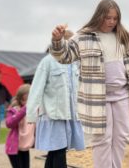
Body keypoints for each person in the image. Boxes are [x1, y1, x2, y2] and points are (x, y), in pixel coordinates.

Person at [50, 0, 129, 168]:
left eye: (115, 18)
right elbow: (64, 56)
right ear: (99, 16)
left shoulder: (124, 37)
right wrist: (57, 41)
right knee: (103, 138)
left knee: (122, 135)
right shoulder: (83, 38)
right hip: (97, 98)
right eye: (107, 18)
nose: (111, 22)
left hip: (121, 94)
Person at [26, 30, 85, 168]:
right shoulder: (47, 62)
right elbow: (36, 89)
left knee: (56, 151)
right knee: (58, 151)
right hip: (53, 115)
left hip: (69, 115)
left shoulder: (74, 64)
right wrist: (31, 115)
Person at [5, 84, 31, 168]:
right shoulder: (14, 109)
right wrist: (24, 109)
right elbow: (9, 123)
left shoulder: (31, 110)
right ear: (20, 98)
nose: (27, 102)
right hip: (14, 148)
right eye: (25, 99)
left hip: (24, 147)